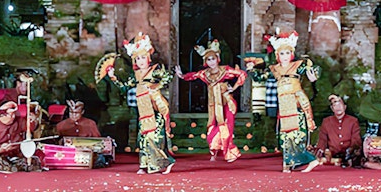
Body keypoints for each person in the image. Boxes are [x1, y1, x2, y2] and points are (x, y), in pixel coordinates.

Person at [245, 29, 320, 173]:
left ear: (291, 54)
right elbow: (259, 78)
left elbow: (314, 72)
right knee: (285, 136)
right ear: (277, 55)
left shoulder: (299, 65)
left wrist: (313, 73)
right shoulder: (274, 69)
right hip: (284, 104)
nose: (285, 56)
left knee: (298, 134)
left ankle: (311, 160)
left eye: (287, 53)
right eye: (281, 53)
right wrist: (252, 70)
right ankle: (288, 164)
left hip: (296, 101)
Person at [107, 32, 175, 175]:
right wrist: (113, 77)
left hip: (154, 108)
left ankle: (164, 163)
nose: (141, 61)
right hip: (143, 110)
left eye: (143, 57)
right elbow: (124, 87)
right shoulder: (135, 76)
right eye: (137, 58)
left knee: (153, 139)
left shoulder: (155, 70)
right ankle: (144, 165)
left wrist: (154, 88)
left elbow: (168, 77)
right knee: (143, 139)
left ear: (148, 58)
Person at [176, 39, 247, 162]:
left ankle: (229, 153)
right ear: (205, 61)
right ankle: (214, 152)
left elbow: (242, 74)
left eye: (213, 59)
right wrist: (182, 75)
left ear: (217, 59)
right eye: (208, 60)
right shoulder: (205, 74)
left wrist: (233, 88)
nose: (211, 62)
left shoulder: (225, 70)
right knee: (212, 129)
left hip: (227, 103)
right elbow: (192, 76)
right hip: (213, 106)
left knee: (226, 127)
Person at [0, 101, 41, 173]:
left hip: (17, 156)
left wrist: (32, 120)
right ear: (2, 115)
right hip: (1, 157)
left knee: (33, 159)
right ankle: (12, 168)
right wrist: (0, 150)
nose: (13, 117)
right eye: (10, 115)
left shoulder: (18, 121)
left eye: (14, 114)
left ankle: (16, 167)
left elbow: (30, 128)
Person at [55, 100, 114, 167]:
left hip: (88, 154)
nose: (74, 115)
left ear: (82, 112)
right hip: (68, 154)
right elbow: (56, 143)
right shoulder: (61, 125)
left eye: (77, 113)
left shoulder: (91, 123)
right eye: (71, 113)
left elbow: (98, 142)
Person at [315, 94, 362, 167]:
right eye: (335, 105)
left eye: (340, 104)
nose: (338, 107)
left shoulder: (353, 121)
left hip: (348, 156)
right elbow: (322, 140)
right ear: (332, 108)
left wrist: (351, 152)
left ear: (345, 107)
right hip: (332, 156)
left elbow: (356, 140)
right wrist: (321, 151)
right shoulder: (327, 121)